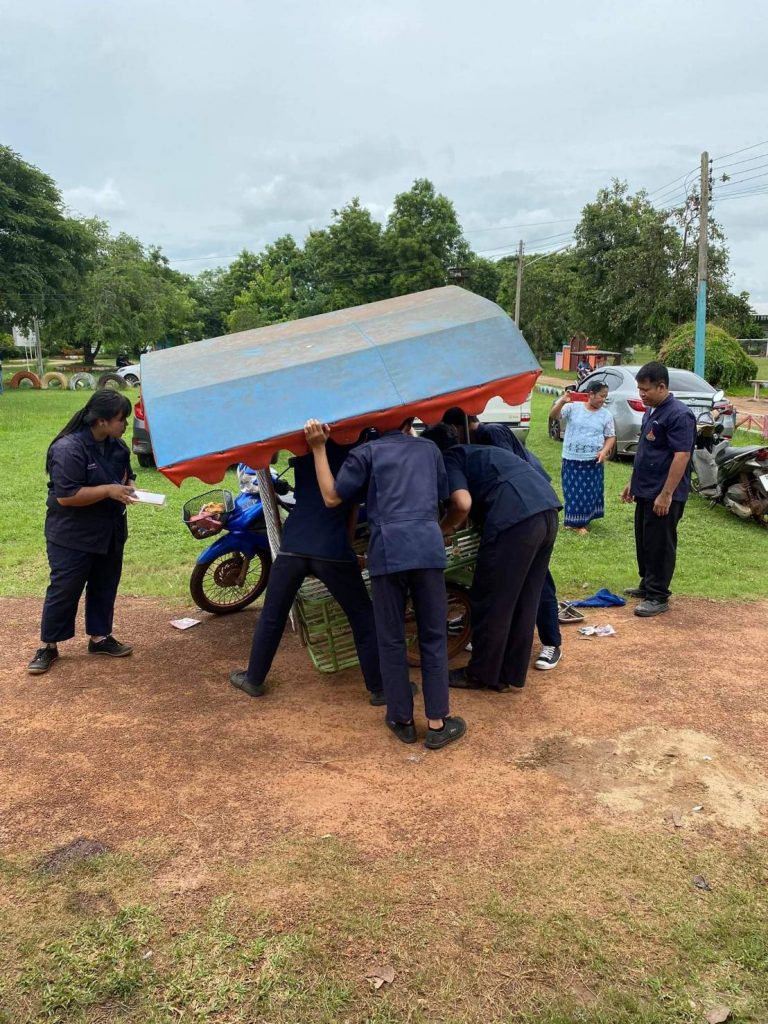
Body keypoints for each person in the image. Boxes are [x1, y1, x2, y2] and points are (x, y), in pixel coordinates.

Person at [305, 417, 466, 750]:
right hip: (427, 548)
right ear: (408, 420)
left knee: (391, 638)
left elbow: (332, 498)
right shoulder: (430, 449)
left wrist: (318, 447)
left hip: (388, 553)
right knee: (433, 635)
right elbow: (442, 496)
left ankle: (401, 718)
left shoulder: (366, 452)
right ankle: (438, 722)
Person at [229, 440, 384, 703]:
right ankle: (380, 689)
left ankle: (253, 679)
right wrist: (347, 550)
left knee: (272, 614)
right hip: (331, 547)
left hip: (294, 545)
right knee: (362, 616)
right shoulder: (356, 457)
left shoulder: (305, 453)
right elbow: (351, 511)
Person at [423, 423, 562, 693]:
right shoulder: (480, 452)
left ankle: (481, 674)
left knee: (491, 598)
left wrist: (441, 530)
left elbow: (462, 503)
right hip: (547, 511)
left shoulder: (450, 458)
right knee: (525, 599)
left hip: (516, 520)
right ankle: (509, 673)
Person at [27, 390, 137, 675]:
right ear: (101, 421)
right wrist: (109, 490)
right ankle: (48, 645)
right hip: (72, 535)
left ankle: (100, 637)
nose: (126, 424)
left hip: (110, 530)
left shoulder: (118, 446)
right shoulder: (68, 449)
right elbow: (67, 496)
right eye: (121, 419)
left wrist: (129, 486)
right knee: (65, 589)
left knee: (105, 583)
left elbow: (126, 475)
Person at [621, 361, 695, 617]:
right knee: (644, 539)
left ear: (662, 387)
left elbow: (682, 456)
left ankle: (658, 595)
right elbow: (646, 450)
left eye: (646, 389)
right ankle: (647, 583)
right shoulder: (651, 411)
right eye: (639, 389)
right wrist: (632, 482)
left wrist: (666, 494)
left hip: (664, 493)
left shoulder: (679, 415)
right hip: (645, 488)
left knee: (660, 543)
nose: (641, 394)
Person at [550, 381, 616, 534]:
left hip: (593, 460)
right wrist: (562, 401)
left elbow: (611, 436)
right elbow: (554, 415)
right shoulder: (573, 407)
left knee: (589, 491)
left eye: (605, 397)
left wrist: (604, 451)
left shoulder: (606, 415)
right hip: (571, 458)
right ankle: (572, 522)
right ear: (591, 394)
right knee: (572, 490)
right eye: (601, 396)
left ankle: (582, 522)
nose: (603, 400)